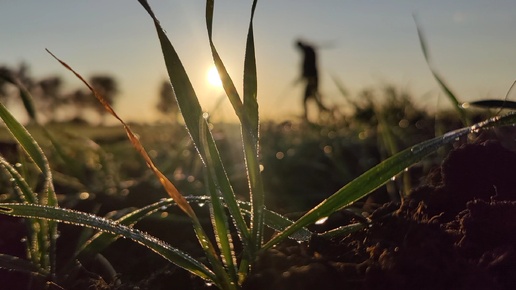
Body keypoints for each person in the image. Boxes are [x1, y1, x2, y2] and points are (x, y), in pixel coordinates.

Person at [296, 40, 328, 120]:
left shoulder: (308, 52)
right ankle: (322, 113)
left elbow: (308, 66)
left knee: (308, 98)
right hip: (312, 77)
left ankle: (309, 116)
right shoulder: (309, 51)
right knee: (314, 97)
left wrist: (306, 76)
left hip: (312, 79)